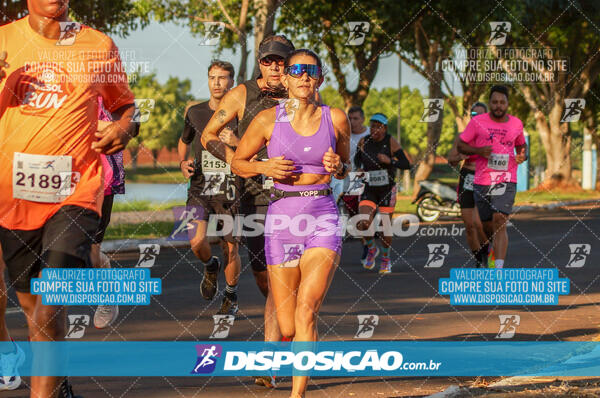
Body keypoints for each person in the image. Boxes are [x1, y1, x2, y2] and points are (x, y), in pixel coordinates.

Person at [0, 1, 137, 396]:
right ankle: (57, 383)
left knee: (49, 303)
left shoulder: (98, 45)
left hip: (76, 191)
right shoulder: (5, 41)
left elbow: (124, 105)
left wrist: (125, 128)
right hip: (12, 198)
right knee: (31, 309)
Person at [231, 48, 350, 398]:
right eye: (296, 70)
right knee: (286, 322)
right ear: (285, 78)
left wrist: (337, 167)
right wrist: (264, 167)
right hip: (282, 217)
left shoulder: (336, 118)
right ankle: (284, 344)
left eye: (310, 71)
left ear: (320, 78)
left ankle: (297, 394)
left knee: (307, 311)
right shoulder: (268, 120)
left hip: (322, 215)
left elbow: (345, 164)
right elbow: (239, 162)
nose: (303, 76)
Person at [200, 34, 295, 388]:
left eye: (281, 61)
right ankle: (287, 329)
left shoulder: (301, 94)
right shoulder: (241, 94)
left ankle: (272, 357)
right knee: (264, 279)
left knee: (280, 276)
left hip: (294, 198)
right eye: (268, 61)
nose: (274, 67)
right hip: (253, 197)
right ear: (260, 63)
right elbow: (209, 133)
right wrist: (238, 160)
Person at [178, 60, 241, 315]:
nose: (217, 82)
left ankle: (231, 296)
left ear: (232, 82)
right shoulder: (195, 112)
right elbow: (184, 141)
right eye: (213, 77)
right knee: (196, 241)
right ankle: (209, 265)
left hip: (232, 189)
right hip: (201, 187)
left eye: (223, 77)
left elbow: (259, 147)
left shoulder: (244, 114)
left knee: (231, 247)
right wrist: (183, 162)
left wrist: (236, 142)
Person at [457, 85, 527, 269]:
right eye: (495, 102)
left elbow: (521, 145)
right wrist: (478, 150)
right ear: (490, 103)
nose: (498, 106)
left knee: (499, 220)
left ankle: (498, 269)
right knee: (486, 226)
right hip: (482, 181)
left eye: (502, 102)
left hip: (506, 178)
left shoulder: (516, 123)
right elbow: (460, 146)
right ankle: (490, 250)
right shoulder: (477, 122)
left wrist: (522, 155)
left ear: (507, 104)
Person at [354, 113, 411, 274]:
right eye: (372, 126)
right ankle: (372, 248)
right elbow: (357, 159)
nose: (374, 130)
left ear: (385, 128)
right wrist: (359, 168)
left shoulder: (391, 142)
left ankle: (386, 259)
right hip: (369, 188)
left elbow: (407, 164)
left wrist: (390, 161)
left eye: (378, 127)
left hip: (387, 189)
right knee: (363, 221)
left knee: (384, 226)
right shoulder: (364, 141)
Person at [92, 97, 127, 328]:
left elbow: (122, 128)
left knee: (90, 251)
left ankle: (106, 294)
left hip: (100, 178)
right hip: (59, 176)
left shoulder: (113, 91)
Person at [447, 102, 489, 267]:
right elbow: (451, 160)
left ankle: (488, 253)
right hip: (467, 179)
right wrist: (461, 156)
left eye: (480, 115)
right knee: (470, 226)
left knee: (479, 224)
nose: (477, 118)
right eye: (473, 115)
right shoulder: (462, 137)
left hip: (484, 179)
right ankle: (479, 258)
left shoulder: (490, 136)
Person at [331, 107, 371, 261]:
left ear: (363, 119)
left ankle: (370, 243)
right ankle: (364, 244)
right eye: (350, 118)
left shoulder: (369, 134)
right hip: (345, 177)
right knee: (347, 213)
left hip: (363, 179)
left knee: (362, 213)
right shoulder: (342, 133)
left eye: (356, 118)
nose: (352, 122)